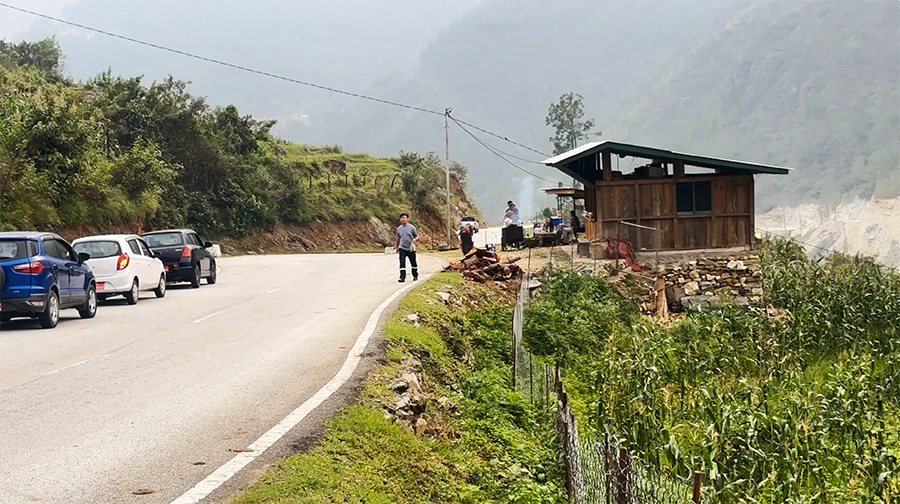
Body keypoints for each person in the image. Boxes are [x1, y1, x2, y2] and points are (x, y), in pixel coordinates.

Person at [395, 213, 419, 283]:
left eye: (404, 218)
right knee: (402, 263)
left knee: (413, 263)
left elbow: (417, 236)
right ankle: (402, 277)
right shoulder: (399, 229)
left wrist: (415, 240)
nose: (402, 219)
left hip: (410, 249)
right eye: (401, 218)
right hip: (402, 248)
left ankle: (415, 275)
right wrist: (397, 247)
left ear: (407, 219)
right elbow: (398, 238)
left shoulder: (412, 227)